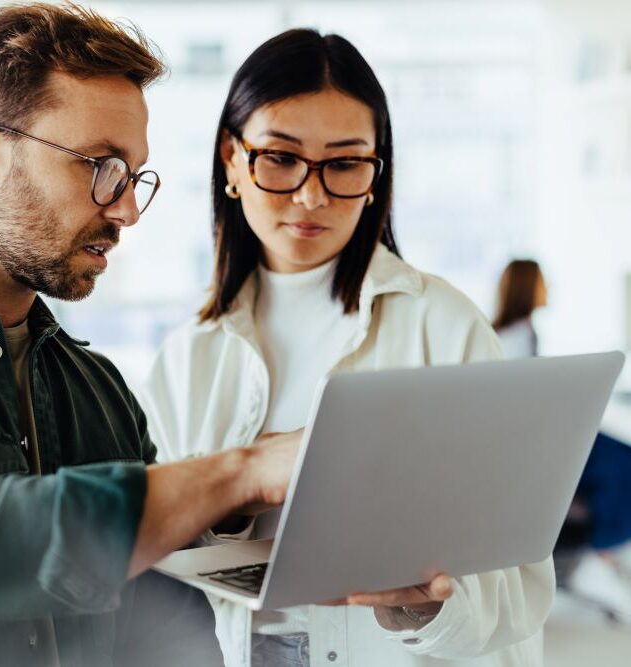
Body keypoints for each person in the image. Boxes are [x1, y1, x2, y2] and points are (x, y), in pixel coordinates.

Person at [141, 29, 555, 667]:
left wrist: (423, 607)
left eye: (343, 163)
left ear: (374, 174)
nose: (312, 195)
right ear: (231, 158)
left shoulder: (442, 324)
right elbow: (158, 564)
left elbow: (520, 587)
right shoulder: (186, 358)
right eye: (280, 157)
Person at [0, 4, 302, 666]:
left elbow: (164, 619)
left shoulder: (100, 391)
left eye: (132, 176)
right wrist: (241, 470)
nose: (123, 210)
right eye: (98, 165)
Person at [493, 259, 631, 620]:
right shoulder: (514, 337)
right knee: (621, 462)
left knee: (617, 456)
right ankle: (600, 552)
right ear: (528, 287)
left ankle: (602, 551)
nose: (549, 289)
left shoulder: (522, 330)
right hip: (530, 443)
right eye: (543, 282)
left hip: (542, 433)